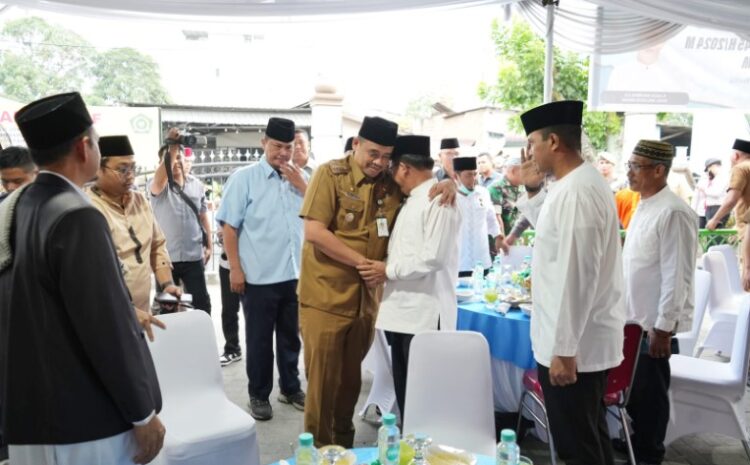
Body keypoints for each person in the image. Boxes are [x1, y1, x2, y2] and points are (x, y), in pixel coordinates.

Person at [0, 92, 164, 465]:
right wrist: (143, 413)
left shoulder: (21, 205)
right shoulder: (78, 215)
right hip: (85, 424)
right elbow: (106, 327)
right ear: (83, 146)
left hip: (34, 417)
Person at [298, 116, 455, 447]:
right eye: (373, 153)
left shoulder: (389, 182)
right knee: (322, 387)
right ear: (356, 144)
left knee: (350, 384)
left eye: (386, 156)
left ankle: (343, 449)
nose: (380, 162)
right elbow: (314, 232)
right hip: (326, 299)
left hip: (366, 303)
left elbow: (423, 184)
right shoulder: (329, 174)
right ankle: (316, 454)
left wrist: (447, 181)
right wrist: (364, 264)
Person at [515, 100, 625, 465]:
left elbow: (576, 274)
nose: (529, 153)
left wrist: (563, 349)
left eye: (532, 143)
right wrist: (531, 191)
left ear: (554, 143)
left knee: (577, 447)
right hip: (573, 340)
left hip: (574, 346)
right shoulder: (571, 184)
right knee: (588, 439)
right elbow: (552, 234)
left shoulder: (579, 189)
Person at [361, 135, 460, 420]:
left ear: (404, 168)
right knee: (407, 397)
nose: (391, 176)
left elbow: (434, 258)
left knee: (422, 400)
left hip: (424, 316)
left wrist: (386, 270)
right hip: (403, 314)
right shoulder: (412, 199)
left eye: (392, 168)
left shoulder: (439, 198)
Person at [216, 117, 307, 421]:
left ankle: (291, 388)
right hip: (257, 278)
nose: (283, 153)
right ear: (264, 143)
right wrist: (236, 271)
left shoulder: (301, 179)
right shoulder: (244, 179)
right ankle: (258, 394)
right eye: (278, 146)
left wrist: (303, 186)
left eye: (288, 147)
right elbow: (229, 228)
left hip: (294, 276)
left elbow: (318, 216)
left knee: (290, 338)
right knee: (258, 340)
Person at [622, 139, 698, 465]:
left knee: (650, 402)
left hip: (653, 326)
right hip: (634, 321)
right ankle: (635, 452)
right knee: (636, 398)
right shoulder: (644, 203)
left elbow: (676, 275)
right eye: (629, 165)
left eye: (636, 166)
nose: (629, 172)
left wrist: (664, 327)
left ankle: (650, 457)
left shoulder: (674, 212)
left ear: (658, 170)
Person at [86, 135, 180, 340]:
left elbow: (157, 245)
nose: (130, 176)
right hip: (107, 317)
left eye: (133, 168)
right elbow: (92, 276)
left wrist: (167, 284)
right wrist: (125, 310)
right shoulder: (87, 209)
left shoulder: (139, 200)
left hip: (143, 314)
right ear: (98, 169)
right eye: (122, 169)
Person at [149, 128, 213, 314]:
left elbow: (203, 217)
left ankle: (201, 341)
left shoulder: (197, 186)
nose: (176, 161)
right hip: (166, 260)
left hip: (193, 257)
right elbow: (161, 176)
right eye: (171, 158)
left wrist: (208, 244)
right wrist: (173, 147)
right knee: (168, 307)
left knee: (201, 305)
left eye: (179, 157)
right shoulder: (158, 186)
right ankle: (170, 342)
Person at [454, 156, 502, 276]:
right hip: (459, 262)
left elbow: (491, 218)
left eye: (475, 174)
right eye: (468, 175)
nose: (473, 179)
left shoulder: (483, 193)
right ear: (456, 176)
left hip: (482, 260)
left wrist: (498, 236)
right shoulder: (451, 197)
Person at [706, 139, 750, 234]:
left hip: (746, 229)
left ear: (736, 155)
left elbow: (731, 199)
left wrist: (714, 220)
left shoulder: (741, 168)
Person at [489, 155, 524, 237]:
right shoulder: (496, 188)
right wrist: (503, 241)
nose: (527, 175)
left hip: (515, 238)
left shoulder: (522, 187)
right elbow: (496, 218)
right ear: (513, 171)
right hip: (499, 241)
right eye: (524, 171)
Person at [693, 158, 728, 228]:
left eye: (709, 168)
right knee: (709, 232)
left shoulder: (722, 177)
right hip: (707, 209)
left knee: (715, 232)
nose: (709, 171)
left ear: (712, 166)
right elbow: (696, 197)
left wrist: (704, 190)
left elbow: (716, 193)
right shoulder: (713, 179)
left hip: (717, 207)